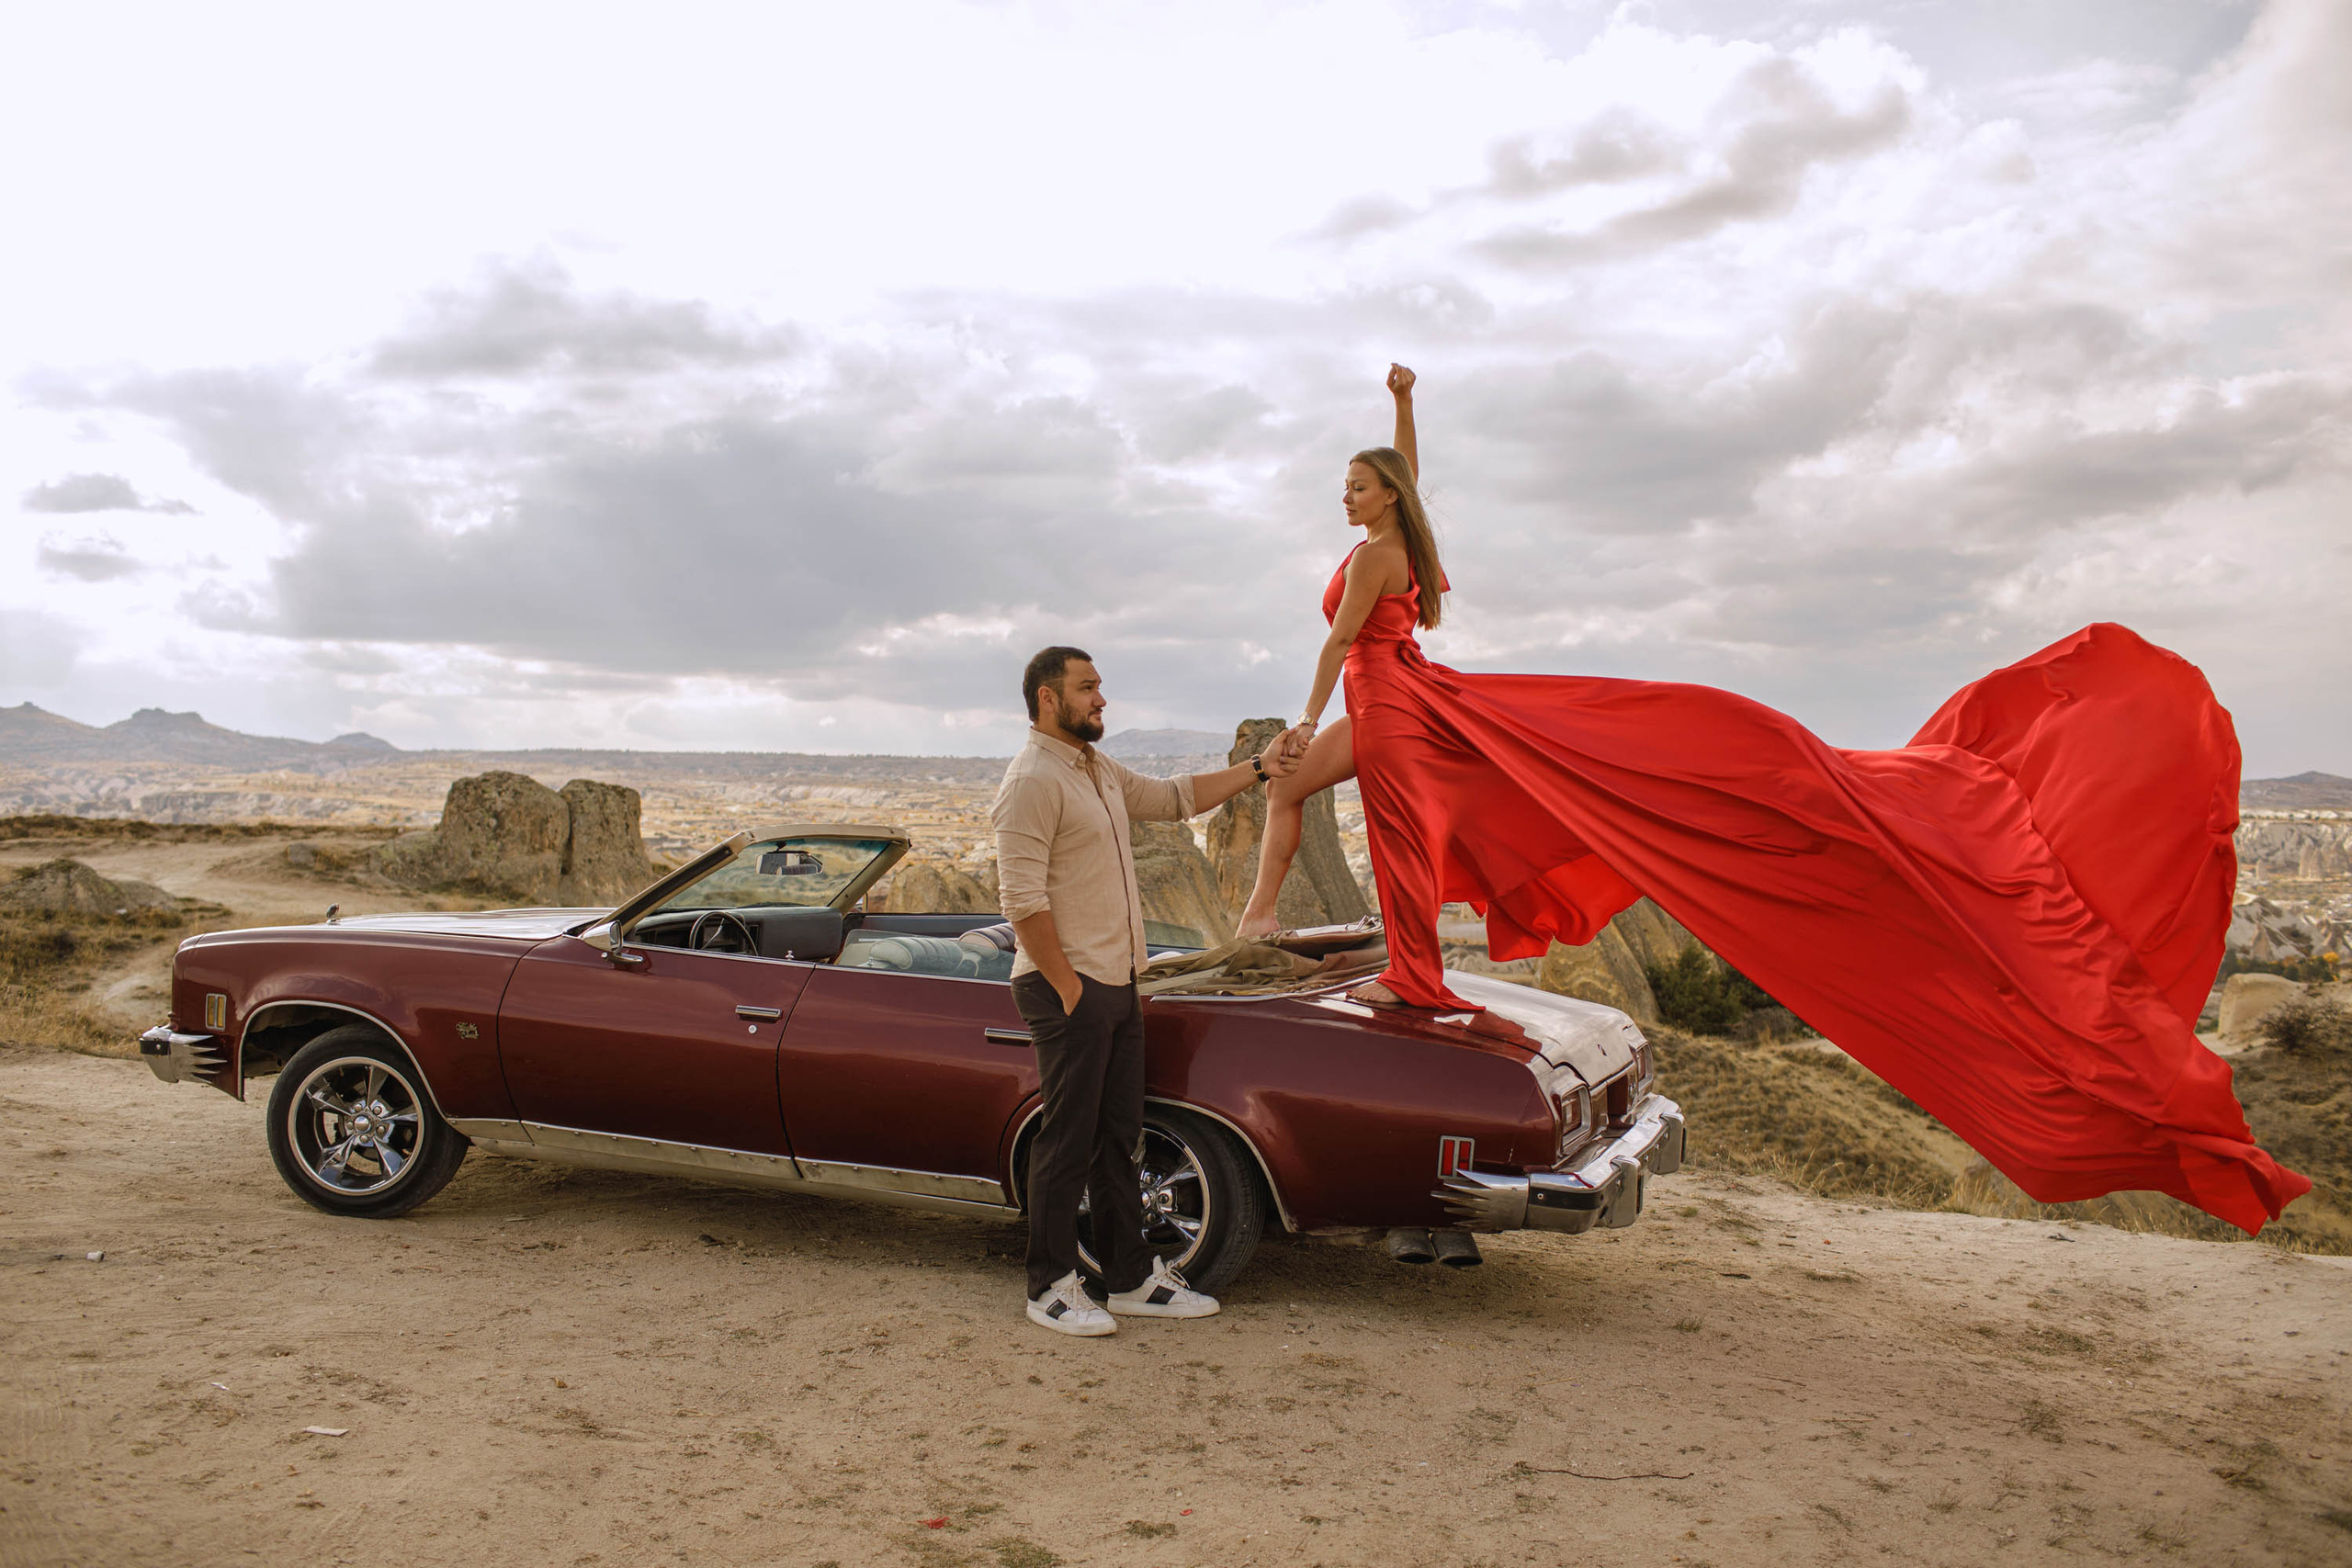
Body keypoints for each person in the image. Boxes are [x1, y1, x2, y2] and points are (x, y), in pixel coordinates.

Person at [1239, 366, 2309, 1235]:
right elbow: (1413, 485)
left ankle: (1406, 973)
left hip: (1394, 701)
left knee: (1395, 834)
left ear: (1381, 499)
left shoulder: (1381, 557)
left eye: (1357, 482)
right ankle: (1270, 924)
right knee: (1337, 807)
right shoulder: (1393, 535)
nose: (1346, 493)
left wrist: (1301, 709)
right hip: (1405, 695)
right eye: (1348, 483)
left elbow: (1339, 641)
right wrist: (1404, 408)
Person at [992, 646, 1302, 1336]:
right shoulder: (1032, 780)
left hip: (1116, 981)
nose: (1102, 698)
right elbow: (1020, 898)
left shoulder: (1093, 768)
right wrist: (1070, 988)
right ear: (1049, 698)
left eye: (1100, 686)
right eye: (1088, 687)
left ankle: (1129, 1277)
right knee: (1067, 1142)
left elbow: (1173, 799)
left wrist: (1260, 767)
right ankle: (1049, 1286)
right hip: (1067, 987)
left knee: (1118, 1140)